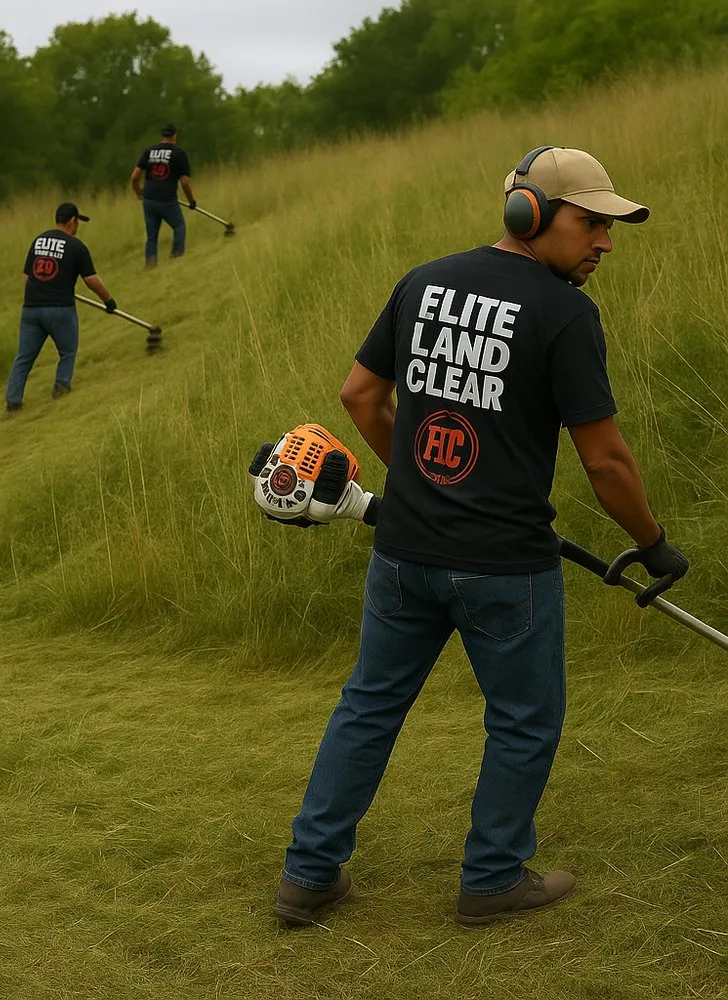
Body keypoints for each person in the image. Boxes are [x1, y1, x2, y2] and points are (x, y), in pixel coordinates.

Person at [273, 146, 690, 928]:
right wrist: (655, 543)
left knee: (369, 707)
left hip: (403, 552)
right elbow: (604, 461)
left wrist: (423, 487)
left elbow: (360, 396)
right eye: (590, 222)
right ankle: (493, 878)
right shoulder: (566, 314)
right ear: (527, 213)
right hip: (507, 571)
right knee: (526, 720)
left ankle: (308, 875)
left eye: (610, 226)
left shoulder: (422, 281)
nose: (605, 241)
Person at [4, 202, 116, 412]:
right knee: (67, 351)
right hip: (60, 309)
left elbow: (27, 277)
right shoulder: (76, 246)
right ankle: (61, 386)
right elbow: (90, 279)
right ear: (73, 221)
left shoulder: (38, 240)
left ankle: (13, 401)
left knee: (24, 357)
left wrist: (44, 288)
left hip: (31, 308)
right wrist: (108, 301)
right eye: (77, 222)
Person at [130, 123, 196, 268]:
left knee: (152, 236)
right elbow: (184, 183)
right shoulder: (179, 153)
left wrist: (138, 192)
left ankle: (150, 264)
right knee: (179, 226)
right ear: (174, 136)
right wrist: (191, 201)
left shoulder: (149, 151)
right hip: (167, 199)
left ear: (163, 136)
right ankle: (176, 258)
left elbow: (134, 177)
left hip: (149, 199)